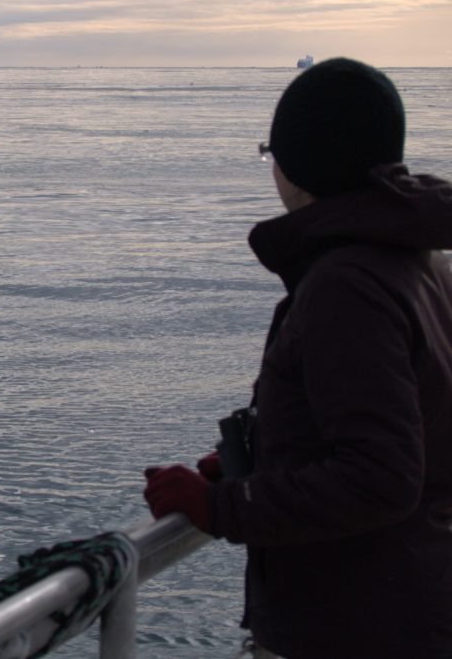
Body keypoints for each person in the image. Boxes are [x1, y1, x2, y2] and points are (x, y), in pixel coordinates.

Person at [143, 58, 452, 659]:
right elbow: (418, 419)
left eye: (271, 152)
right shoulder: (420, 264)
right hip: (412, 608)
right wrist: (266, 455)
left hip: (357, 628)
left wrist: (220, 506)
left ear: (298, 163)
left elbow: (382, 478)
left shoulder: (347, 283)